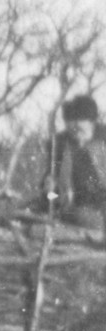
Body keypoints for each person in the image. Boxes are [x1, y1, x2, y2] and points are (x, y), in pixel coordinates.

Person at [54, 95, 106, 233]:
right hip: (78, 208)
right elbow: (52, 187)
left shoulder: (102, 143)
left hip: (102, 205)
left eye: (80, 120)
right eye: (72, 121)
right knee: (88, 219)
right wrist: (51, 190)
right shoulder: (63, 146)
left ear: (92, 122)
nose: (75, 126)